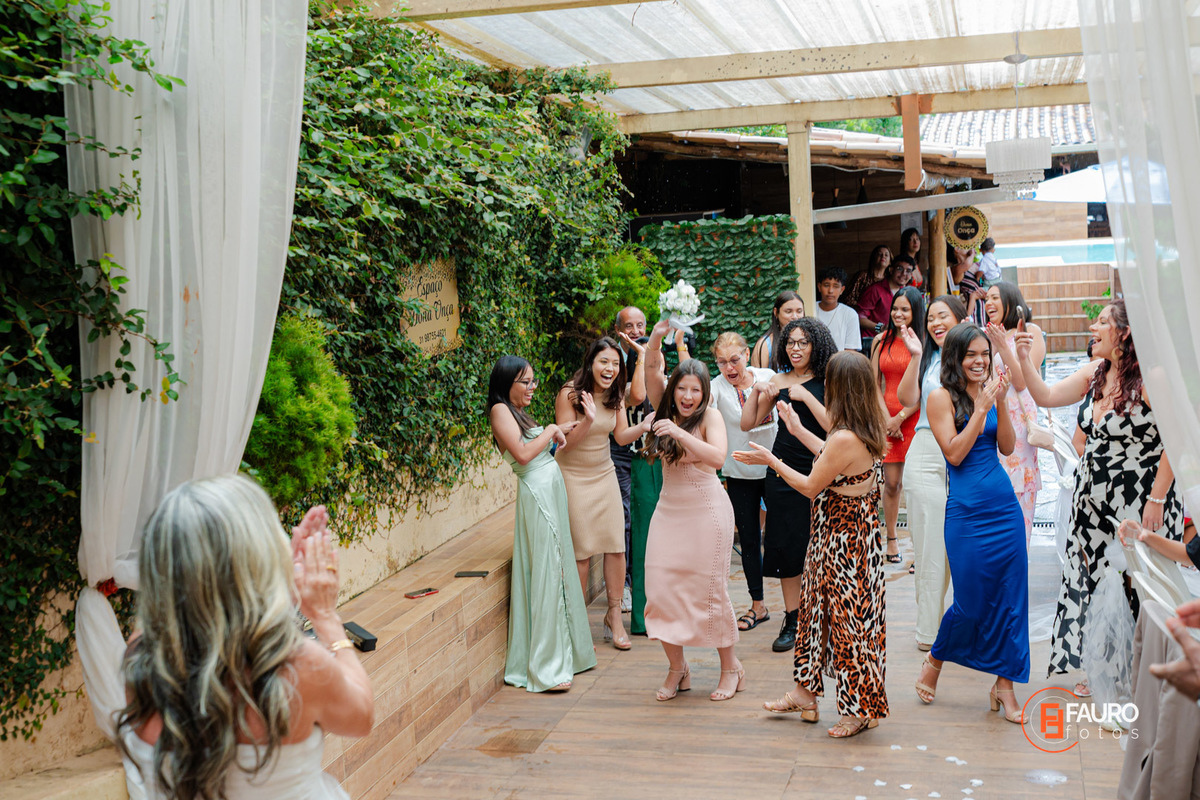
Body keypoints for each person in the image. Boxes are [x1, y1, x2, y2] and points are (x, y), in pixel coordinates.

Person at [115, 476, 374, 799]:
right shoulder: (299, 666)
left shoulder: (141, 657)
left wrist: (280, 587)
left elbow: (213, 627)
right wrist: (325, 617)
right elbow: (361, 717)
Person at [1014, 299, 1183, 693]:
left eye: (1103, 321)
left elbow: (1175, 442)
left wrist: (1157, 499)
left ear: (1125, 332)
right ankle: (1104, 665)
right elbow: (1046, 395)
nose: (1093, 326)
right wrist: (1022, 358)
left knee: (1139, 583)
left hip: (1141, 502)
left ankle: (1148, 668)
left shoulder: (1152, 377)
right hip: (1092, 503)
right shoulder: (1096, 372)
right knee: (1095, 581)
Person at [734, 351, 890, 739]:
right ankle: (805, 694)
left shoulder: (846, 437)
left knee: (848, 625)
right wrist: (796, 427)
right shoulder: (865, 428)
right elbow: (830, 454)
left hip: (843, 545)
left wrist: (771, 460)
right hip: (847, 538)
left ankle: (858, 709)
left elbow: (809, 485)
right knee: (815, 616)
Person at [913, 324, 1030, 724]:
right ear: (955, 358)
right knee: (970, 601)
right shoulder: (939, 397)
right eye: (971, 355)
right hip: (966, 512)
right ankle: (936, 658)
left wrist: (1002, 401)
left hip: (1003, 508)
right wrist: (980, 409)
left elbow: (1008, 447)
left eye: (985, 354)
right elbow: (955, 454)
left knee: (1012, 600)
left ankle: (1005, 686)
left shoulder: (992, 391)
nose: (980, 361)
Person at [487, 356, 598, 691]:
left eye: (533, 381)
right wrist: (550, 430)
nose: (532, 387)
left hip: (550, 493)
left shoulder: (517, 412)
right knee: (548, 572)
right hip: (537, 498)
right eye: (526, 382)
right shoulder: (499, 410)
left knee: (559, 568)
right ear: (507, 383)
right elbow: (523, 455)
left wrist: (571, 427)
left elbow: (542, 448)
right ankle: (547, 666)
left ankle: (568, 653)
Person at [642, 336, 743, 702]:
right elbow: (651, 368)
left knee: (710, 591)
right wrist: (657, 336)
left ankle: (731, 669)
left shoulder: (709, 417)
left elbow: (717, 457)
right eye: (681, 388)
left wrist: (677, 432)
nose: (687, 396)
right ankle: (677, 668)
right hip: (668, 513)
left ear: (704, 393)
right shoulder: (664, 410)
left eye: (695, 390)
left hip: (707, 513)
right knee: (659, 590)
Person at [741, 318, 836, 653]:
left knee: (820, 546)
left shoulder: (829, 379)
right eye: (791, 342)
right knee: (786, 548)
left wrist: (806, 397)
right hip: (781, 472)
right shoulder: (777, 380)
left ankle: (824, 618)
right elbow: (747, 422)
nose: (796, 348)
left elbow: (834, 427)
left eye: (803, 342)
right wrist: (757, 391)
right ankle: (793, 618)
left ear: (816, 345)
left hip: (822, 469)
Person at [555, 337, 651, 651]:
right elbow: (565, 444)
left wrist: (643, 427)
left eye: (615, 363)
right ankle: (577, 623)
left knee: (616, 546)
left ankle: (614, 616)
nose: (610, 368)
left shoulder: (615, 394)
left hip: (604, 473)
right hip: (573, 475)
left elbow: (620, 437)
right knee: (582, 553)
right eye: (604, 362)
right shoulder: (569, 394)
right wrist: (588, 419)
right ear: (591, 363)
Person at [896, 295, 969, 651]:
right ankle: (930, 631)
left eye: (944, 316)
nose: (936, 323)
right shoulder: (928, 357)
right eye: (931, 318)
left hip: (968, 452)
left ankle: (969, 624)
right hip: (926, 452)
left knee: (965, 545)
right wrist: (914, 356)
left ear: (961, 319)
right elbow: (906, 398)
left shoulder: (975, 355)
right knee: (929, 545)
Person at [709, 331, 777, 631]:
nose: (729, 367)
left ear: (747, 355)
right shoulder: (716, 387)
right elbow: (701, 405)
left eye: (734, 359)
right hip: (739, 473)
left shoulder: (768, 376)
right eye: (721, 362)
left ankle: (798, 607)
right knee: (749, 540)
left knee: (784, 536)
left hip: (776, 470)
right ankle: (757, 605)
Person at [982, 282, 1046, 541]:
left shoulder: (1030, 331)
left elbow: (1021, 382)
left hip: (1019, 422)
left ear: (1010, 299)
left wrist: (1002, 346)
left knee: (1019, 497)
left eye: (995, 297)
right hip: (993, 419)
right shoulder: (989, 336)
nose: (988, 303)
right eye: (986, 299)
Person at [870, 286, 925, 564]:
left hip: (915, 419)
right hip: (886, 419)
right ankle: (891, 538)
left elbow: (924, 387)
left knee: (916, 487)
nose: (898, 314)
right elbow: (873, 383)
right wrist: (886, 419)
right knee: (891, 484)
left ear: (916, 312)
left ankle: (920, 549)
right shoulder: (880, 341)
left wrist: (900, 417)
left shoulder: (923, 343)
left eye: (905, 309)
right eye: (895, 308)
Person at [610, 306, 650, 612]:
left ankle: (642, 581)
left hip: (646, 451)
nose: (636, 331)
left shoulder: (651, 353)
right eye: (629, 326)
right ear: (618, 331)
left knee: (644, 516)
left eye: (640, 325)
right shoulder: (612, 360)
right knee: (624, 518)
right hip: (619, 449)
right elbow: (635, 396)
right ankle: (623, 584)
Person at [857, 256, 914, 344]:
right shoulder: (875, 290)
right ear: (891, 270)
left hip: (894, 341)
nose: (904, 274)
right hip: (872, 341)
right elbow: (859, 317)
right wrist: (881, 327)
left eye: (908, 271)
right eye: (900, 269)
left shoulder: (906, 292)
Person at [751, 290, 804, 370]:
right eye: (788, 311)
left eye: (799, 311)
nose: (795, 317)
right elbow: (759, 376)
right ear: (776, 312)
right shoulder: (765, 344)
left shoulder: (810, 341)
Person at [815, 267, 861, 352]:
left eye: (836, 286)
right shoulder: (809, 308)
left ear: (842, 290)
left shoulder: (850, 314)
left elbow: (850, 352)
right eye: (826, 285)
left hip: (840, 360)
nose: (830, 291)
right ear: (819, 287)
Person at [847, 245, 891, 311]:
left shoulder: (889, 280)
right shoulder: (862, 276)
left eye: (886, 255)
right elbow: (849, 299)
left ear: (890, 261)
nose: (883, 256)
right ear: (874, 258)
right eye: (879, 254)